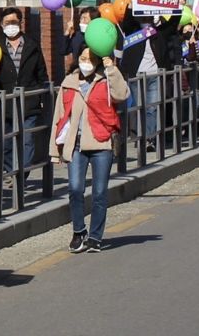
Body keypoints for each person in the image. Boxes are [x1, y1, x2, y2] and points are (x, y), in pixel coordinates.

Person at [49, 47, 129, 253]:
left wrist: (112, 69)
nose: (86, 62)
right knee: (75, 189)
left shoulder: (106, 79)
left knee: (100, 192)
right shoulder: (68, 84)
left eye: (91, 59)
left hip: (101, 143)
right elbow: (59, 117)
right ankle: (78, 231)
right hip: (75, 145)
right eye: (83, 58)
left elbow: (122, 94)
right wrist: (54, 151)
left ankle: (95, 236)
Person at [119, 0, 181, 147]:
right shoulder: (133, 32)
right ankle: (139, 137)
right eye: (143, 15)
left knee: (152, 107)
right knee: (139, 107)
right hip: (136, 76)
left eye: (149, 15)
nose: (146, 18)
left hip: (155, 75)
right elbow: (126, 23)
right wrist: (132, 3)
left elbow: (173, 24)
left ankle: (149, 138)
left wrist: (177, 5)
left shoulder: (158, 33)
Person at [0, 7, 49, 177]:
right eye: (7, 23)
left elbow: (42, 73)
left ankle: (21, 175)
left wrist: (41, 96)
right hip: (7, 103)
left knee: (27, 140)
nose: (11, 26)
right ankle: (11, 171)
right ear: (1, 25)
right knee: (6, 143)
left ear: (20, 23)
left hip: (29, 101)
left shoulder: (32, 46)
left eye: (14, 22)